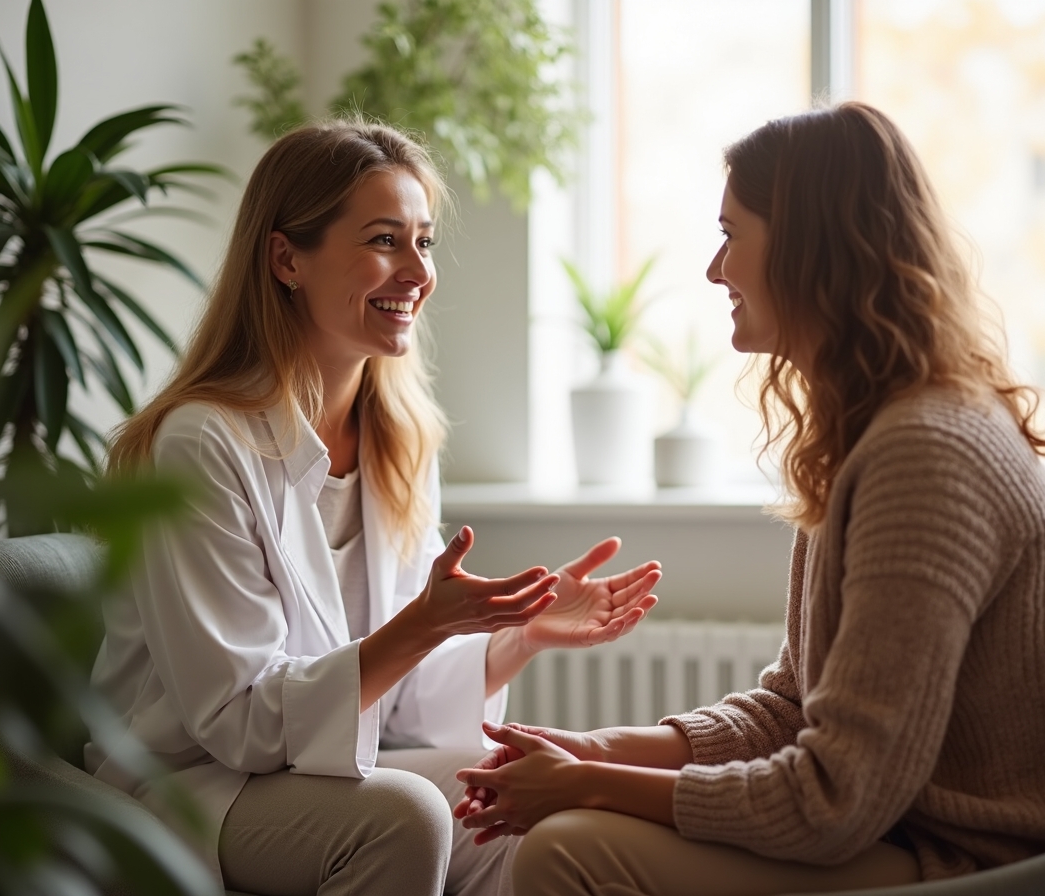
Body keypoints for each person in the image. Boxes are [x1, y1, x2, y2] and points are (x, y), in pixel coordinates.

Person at [454, 101, 1045, 896]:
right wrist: (596, 750)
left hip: (988, 865)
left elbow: (834, 800)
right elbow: (792, 709)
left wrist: (589, 785)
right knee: (569, 832)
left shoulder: (925, 453)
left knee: (567, 849)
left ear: (804, 246)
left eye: (731, 235)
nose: (715, 269)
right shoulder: (872, 432)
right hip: (911, 834)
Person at [86, 119, 662, 896]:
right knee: (407, 816)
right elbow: (238, 722)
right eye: (385, 240)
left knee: (524, 789)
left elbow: (399, 702)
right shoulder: (201, 444)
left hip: (308, 770)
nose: (418, 272)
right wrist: (425, 622)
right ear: (286, 259)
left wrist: (516, 634)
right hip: (199, 784)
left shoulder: (398, 440)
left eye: (423, 242)